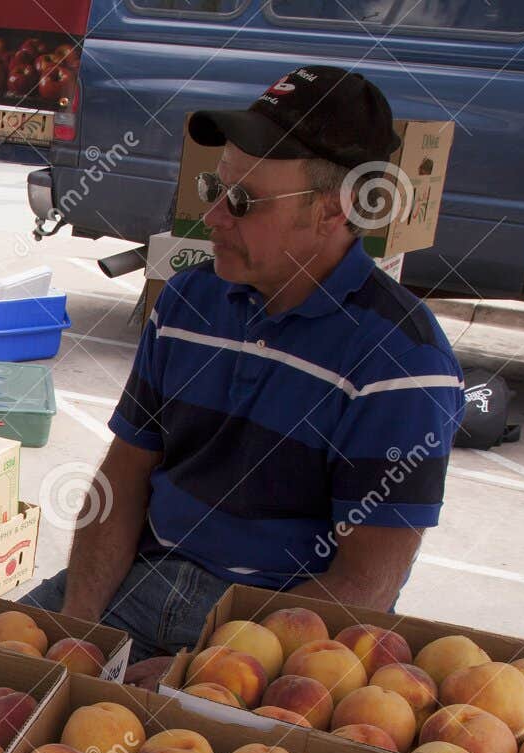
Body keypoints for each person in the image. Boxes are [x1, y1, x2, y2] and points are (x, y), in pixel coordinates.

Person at [24, 66, 465, 687]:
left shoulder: (402, 365)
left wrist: (204, 673)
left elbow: (362, 587)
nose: (213, 217)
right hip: (137, 579)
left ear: (334, 211)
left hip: (279, 629)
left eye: (243, 200)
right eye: (214, 185)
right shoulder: (186, 303)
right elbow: (123, 475)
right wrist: (80, 626)